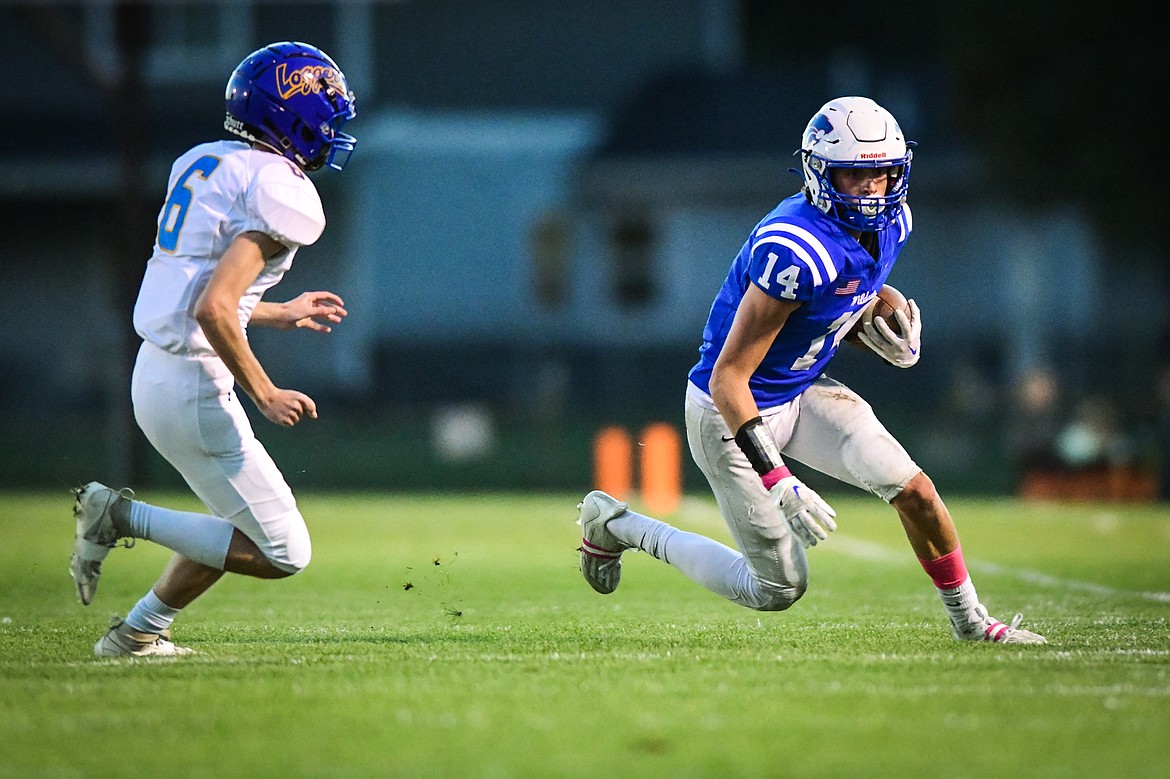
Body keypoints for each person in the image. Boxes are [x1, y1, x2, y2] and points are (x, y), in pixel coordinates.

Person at [576, 96, 1046, 644]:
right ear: (820, 172)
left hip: (799, 393)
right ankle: (618, 525)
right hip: (729, 414)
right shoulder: (795, 248)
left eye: (883, 173)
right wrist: (780, 480)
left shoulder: (894, 223)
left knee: (914, 489)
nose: (873, 189)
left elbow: (843, 300)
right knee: (777, 588)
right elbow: (730, 376)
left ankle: (972, 624)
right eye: (855, 175)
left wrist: (880, 323)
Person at [69, 41, 358, 657]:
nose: (334, 125)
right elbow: (213, 307)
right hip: (194, 385)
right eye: (327, 108)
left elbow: (199, 287)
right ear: (292, 113)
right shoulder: (284, 191)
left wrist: (279, 311)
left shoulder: (208, 161)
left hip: (156, 374)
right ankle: (118, 517)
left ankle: (136, 637)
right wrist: (264, 389)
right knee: (285, 552)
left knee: (234, 528)